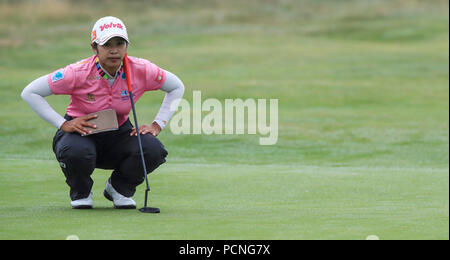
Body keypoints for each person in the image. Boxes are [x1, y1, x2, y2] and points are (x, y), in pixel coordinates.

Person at [21, 16, 185, 209]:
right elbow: (30, 92)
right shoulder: (77, 72)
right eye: (106, 44)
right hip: (80, 134)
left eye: (119, 43)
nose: (114, 50)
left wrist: (158, 124)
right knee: (77, 152)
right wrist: (64, 124)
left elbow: (176, 87)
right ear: (94, 48)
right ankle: (81, 192)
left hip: (119, 134)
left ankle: (119, 189)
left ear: (126, 46)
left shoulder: (141, 69)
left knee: (153, 149)